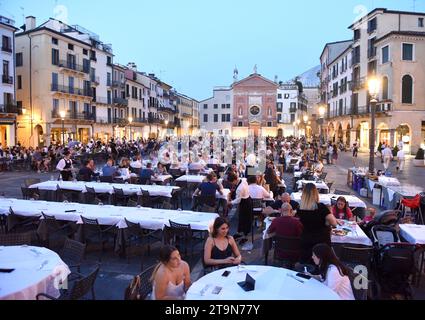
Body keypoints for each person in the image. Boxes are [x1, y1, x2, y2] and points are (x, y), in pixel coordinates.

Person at [296, 183, 338, 263]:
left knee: (307, 265)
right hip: (321, 243)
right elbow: (334, 223)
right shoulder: (321, 207)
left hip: (306, 241)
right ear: (316, 194)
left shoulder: (299, 208)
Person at [228, 172, 252, 245]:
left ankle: (245, 236)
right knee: (242, 219)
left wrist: (230, 202)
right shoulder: (243, 180)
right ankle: (240, 232)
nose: (232, 184)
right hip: (248, 199)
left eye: (232, 182)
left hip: (245, 203)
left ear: (235, 180)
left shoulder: (239, 188)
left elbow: (238, 200)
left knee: (245, 219)